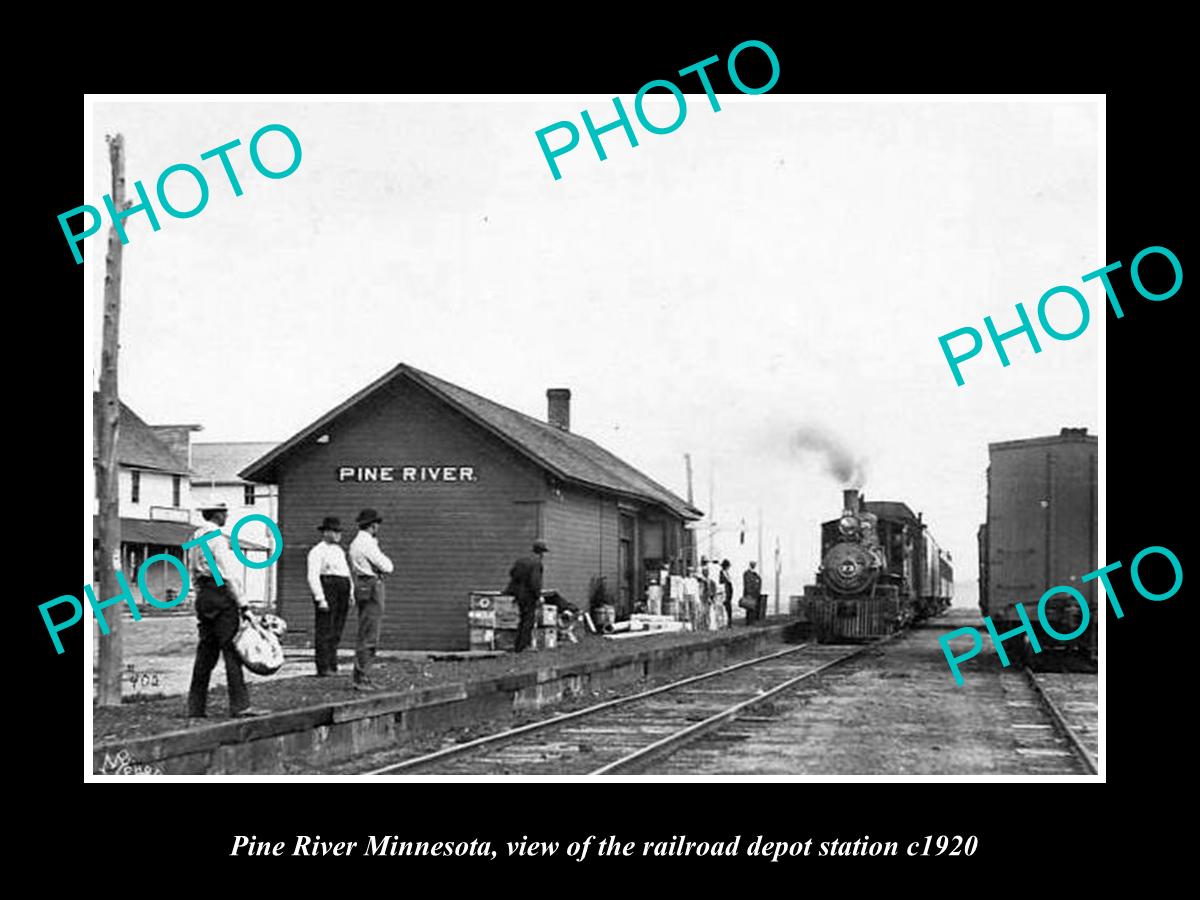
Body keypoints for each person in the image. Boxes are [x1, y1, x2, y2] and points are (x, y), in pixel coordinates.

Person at [186, 502, 269, 719]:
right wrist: (243, 604)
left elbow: (192, 570)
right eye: (224, 513)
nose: (227, 516)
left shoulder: (195, 537)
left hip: (204, 594)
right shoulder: (217, 539)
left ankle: (195, 706)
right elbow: (228, 574)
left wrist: (200, 594)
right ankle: (240, 705)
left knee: (205, 652)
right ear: (217, 515)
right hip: (221, 594)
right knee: (232, 649)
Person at [348, 508, 394, 691]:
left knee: (365, 630)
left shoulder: (356, 543)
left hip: (362, 584)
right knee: (370, 633)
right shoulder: (367, 543)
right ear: (373, 525)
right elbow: (387, 566)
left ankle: (361, 674)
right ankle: (362, 677)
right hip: (372, 585)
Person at [307, 516, 353, 677]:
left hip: (342, 588)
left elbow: (346, 572)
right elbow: (312, 576)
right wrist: (320, 598)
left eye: (338, 532)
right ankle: (323, 666)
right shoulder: (317, 551)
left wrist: (351, 592)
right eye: (334, 531)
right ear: (326, 532)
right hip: (328, 588)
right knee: (324, 629)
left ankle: (333, 665)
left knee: (337, 629)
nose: (338, 535)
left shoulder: (339, 551)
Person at [505, 540, 548, 652]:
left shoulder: (521, 561)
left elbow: (512, 573)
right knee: (528, 620)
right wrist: (538, 596)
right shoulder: (536, 563)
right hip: (528, 596)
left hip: (517, 594)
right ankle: (523, 646)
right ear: (541, 553)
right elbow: (535, 582)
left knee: (522, 619)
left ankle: (518, 645)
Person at [743, 561, 763, 625]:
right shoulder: (747, 573)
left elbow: (759, 580)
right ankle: (749, 622)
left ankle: (752, 621)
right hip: (750, 593)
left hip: (754, 593)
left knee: (753, 608)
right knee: (749, 608)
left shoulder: (755, 574)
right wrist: (749, 592)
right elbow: (747, 584)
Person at [719, 559, 734, 628]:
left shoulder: (727, 573)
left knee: (729, 608)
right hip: (725, 592)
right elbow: (722, 583)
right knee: (725, 608)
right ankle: (725, 623)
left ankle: (729, 622)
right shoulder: (721, 573)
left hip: (729, 593)